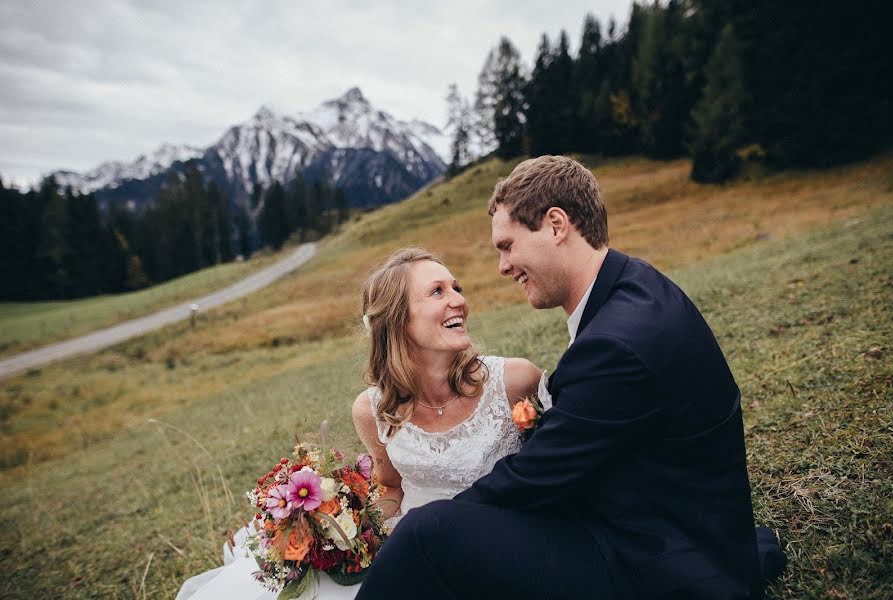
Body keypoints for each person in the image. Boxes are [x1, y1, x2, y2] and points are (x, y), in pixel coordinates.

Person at [357, 156, 785, 599]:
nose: (503, 266)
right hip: (666, 522)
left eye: (507, 245)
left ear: (556, 225)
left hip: (651, 559)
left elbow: (538, 475)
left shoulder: (615, 342)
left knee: (427, 531)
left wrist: (446, 531)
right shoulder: (635, 285)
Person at [176, 248, 548, 599]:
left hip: (499, 547)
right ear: (398, 320)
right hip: (412, 550)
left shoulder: (515, 381)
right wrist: (345, 527)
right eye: (438, 291)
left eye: (457, 288)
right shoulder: (373, 409)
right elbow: (391, 487)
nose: (459, 300)